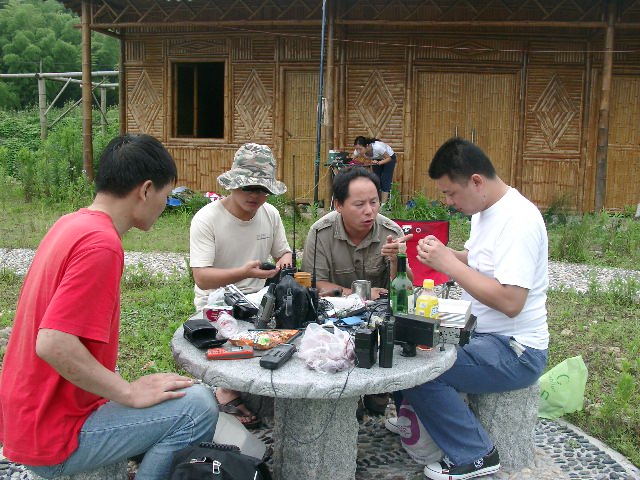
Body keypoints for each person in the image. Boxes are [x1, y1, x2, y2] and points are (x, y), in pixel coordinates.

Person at [0, 134, 219, 479]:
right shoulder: (102, 245)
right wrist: (127, 393)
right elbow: (53, 342)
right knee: (198, 407)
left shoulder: (71, 223)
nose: (166, 205)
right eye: (167, 195)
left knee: (173, 396)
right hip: (52, 435)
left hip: (29, 418)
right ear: (146, 190)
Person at [396, 138, 549, 480]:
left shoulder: (518, 221)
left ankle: (476, 453)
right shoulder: (485, 211)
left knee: (421, 368)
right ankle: (419, 418)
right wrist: (439, 250)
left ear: (477, 181)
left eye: (451, 193)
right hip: (481, 333)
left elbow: (512, 302)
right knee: (403, 334)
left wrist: (448, 264)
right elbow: (479, 263)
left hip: (517, 349)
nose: (449, 203)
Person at [190, 143, 292, 428]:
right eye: (248, 188)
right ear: (233, 185)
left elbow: (284, 252)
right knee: (230, 345)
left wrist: (282, 266)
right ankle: (226, 389)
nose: (256, 196)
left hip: (262, 298)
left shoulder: (269, 213)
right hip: (217, 303)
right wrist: (242, 272)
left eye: (262, 190)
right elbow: (201, 276)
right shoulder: (207, 219)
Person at [301, 166, 412, 415]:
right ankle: (341, 400)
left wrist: (396, 261)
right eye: (359, 204)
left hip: (379, 318)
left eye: (374, 202)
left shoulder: (391, 232)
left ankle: (379, 391)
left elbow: (403, 290)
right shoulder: (320, 232)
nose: (369, 210)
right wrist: (359, 295)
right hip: (333, 316)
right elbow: (314, 283)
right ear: (339, 205)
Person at [352, 136, 397, 206]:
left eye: (360, 149)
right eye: (357, 149)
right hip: (377, 159)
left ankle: (383, 205)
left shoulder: (378, 147)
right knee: (375, 179)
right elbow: (351, 159)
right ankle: (376, 202)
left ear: (367, 146)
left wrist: (379, 163)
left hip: (389, 158)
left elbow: (389, 158)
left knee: (385, 179)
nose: (358, 151)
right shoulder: (359, 149)